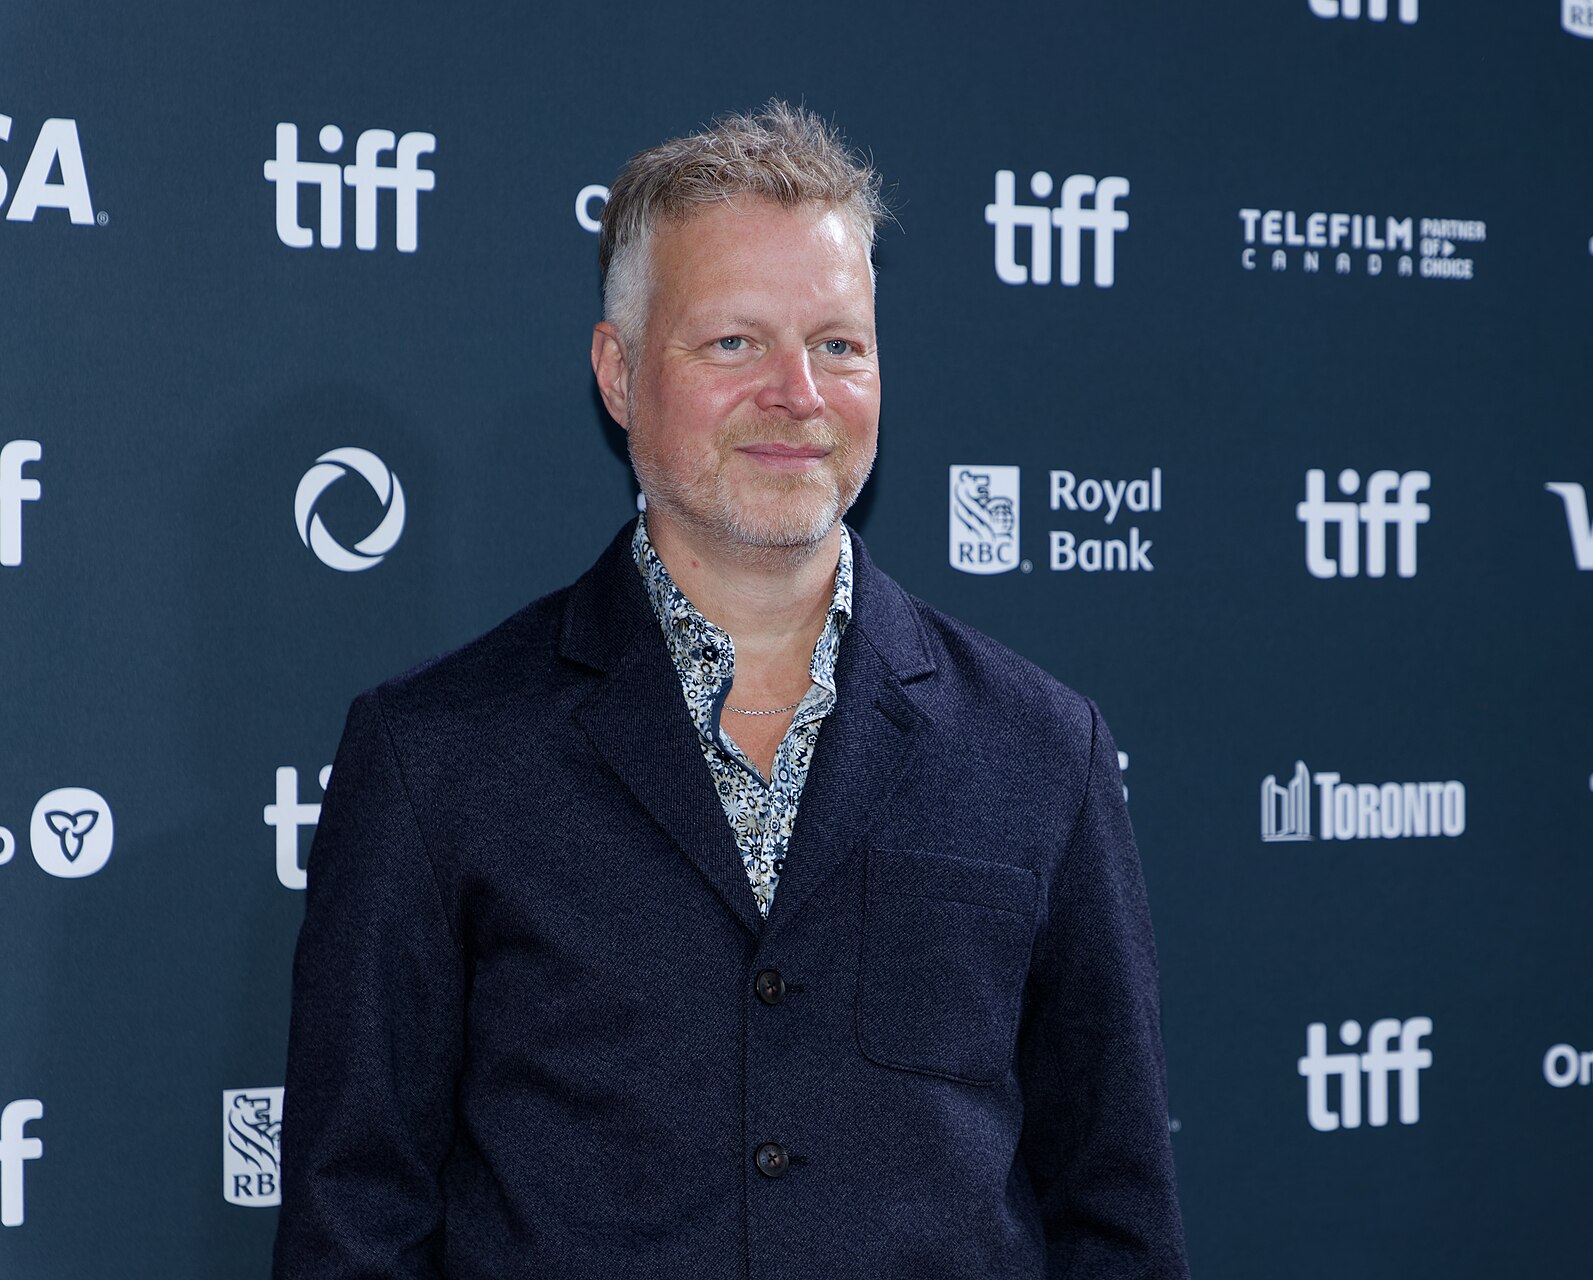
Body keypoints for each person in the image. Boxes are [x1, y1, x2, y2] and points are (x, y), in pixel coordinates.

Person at [272, 100, 1188, 1279]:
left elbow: (1117, 1211)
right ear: (618, 371)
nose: (797, 392)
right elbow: (354, 1218)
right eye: (733, 343)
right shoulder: (434, 755)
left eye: (839, 344)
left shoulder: (1043, 749)